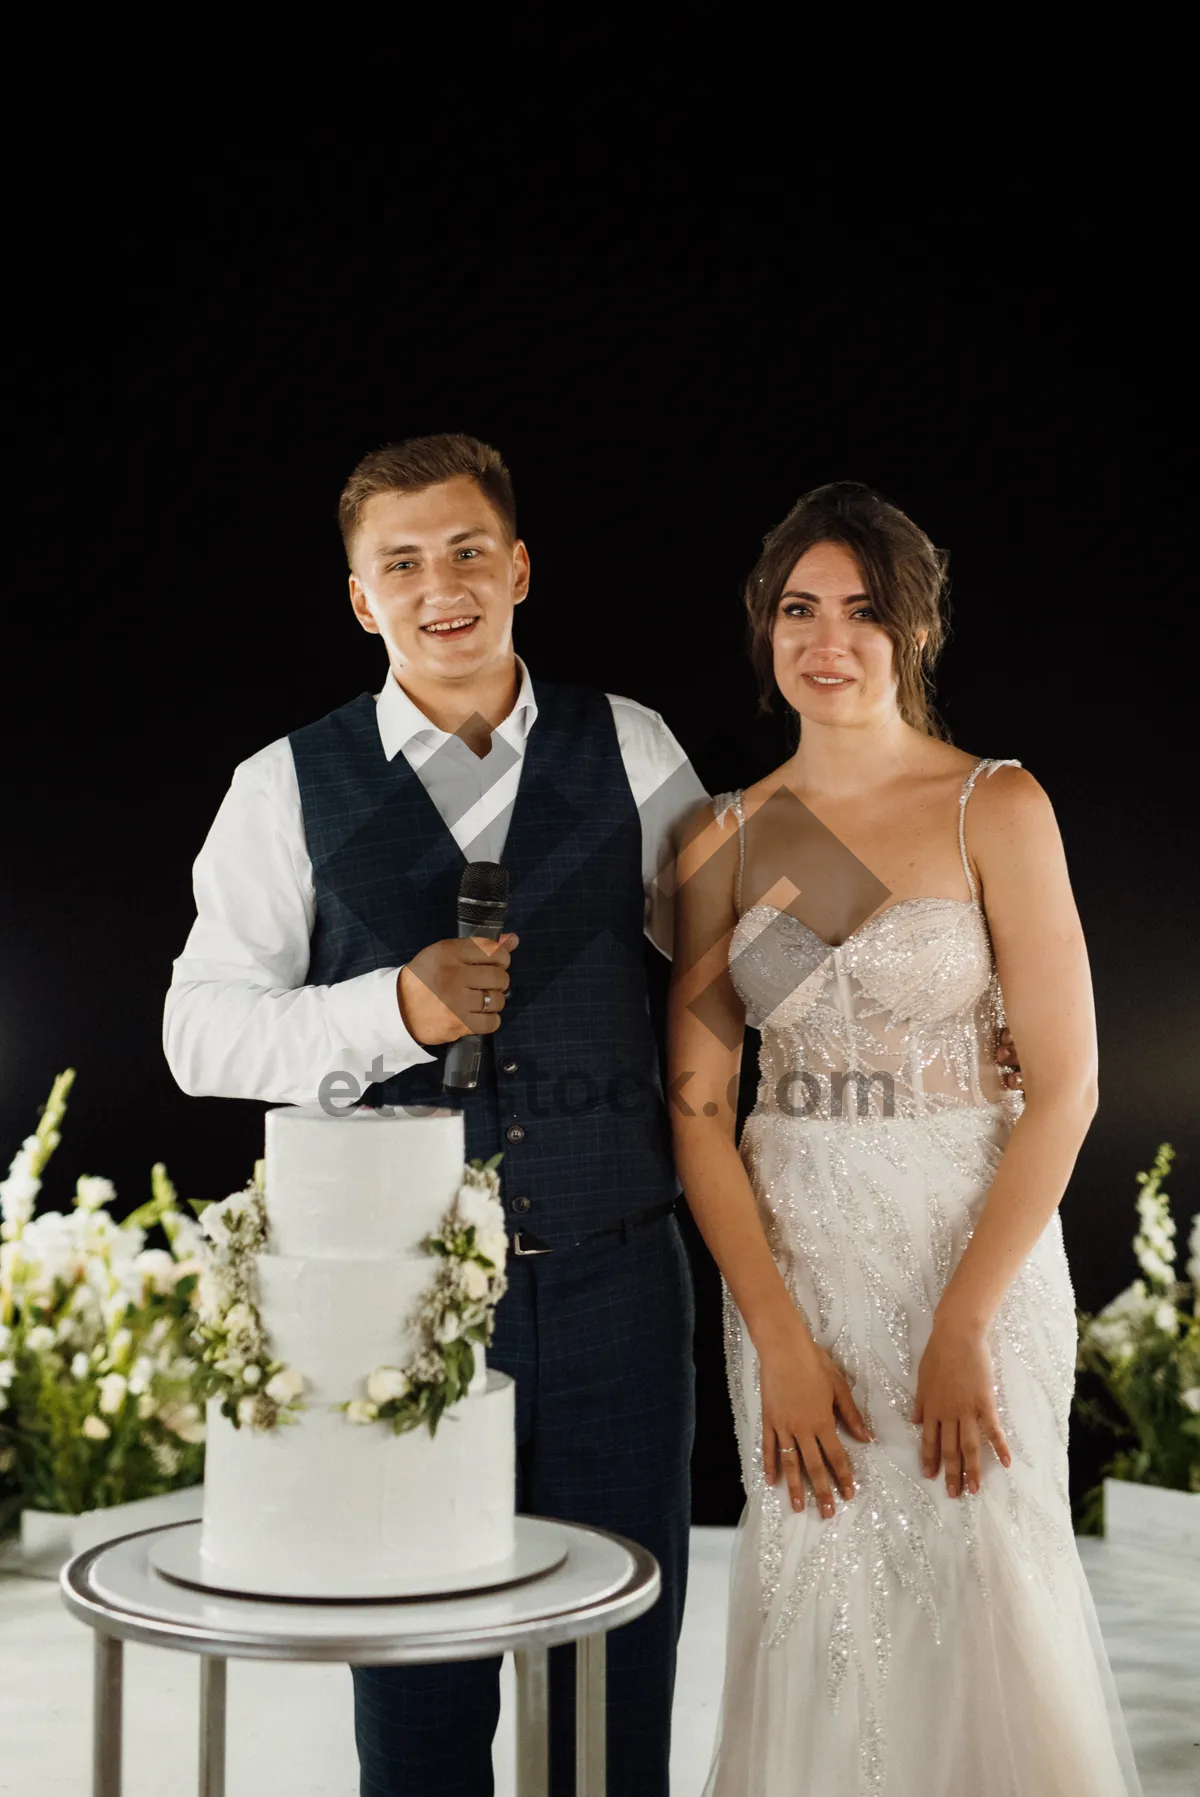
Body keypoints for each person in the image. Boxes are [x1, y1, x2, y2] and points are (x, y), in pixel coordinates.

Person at [163, 433, 707, 1796]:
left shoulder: (630, 744)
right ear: (361, 599)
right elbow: (197, 1032)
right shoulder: (282, 786)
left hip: (619, 1286)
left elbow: (753, 959)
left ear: (518, 568)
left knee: (616, 1686)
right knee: (416, 1697)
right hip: (397, 1313)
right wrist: (387, 1012)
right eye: (399, 562)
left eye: (467, 549)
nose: (439, 583)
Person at [668, 481, 1142, 1795]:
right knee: (821, 1584)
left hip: (970, 1251)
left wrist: (962, 1324)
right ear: (766, 631)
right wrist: (776, 1335)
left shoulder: (994, 804)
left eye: (864, 611)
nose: (830, 639)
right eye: (799, 610)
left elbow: (1067, 1088)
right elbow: (702, 1109)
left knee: (985, 1574)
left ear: (917, 629)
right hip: (798, 1260)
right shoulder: (722, 836)